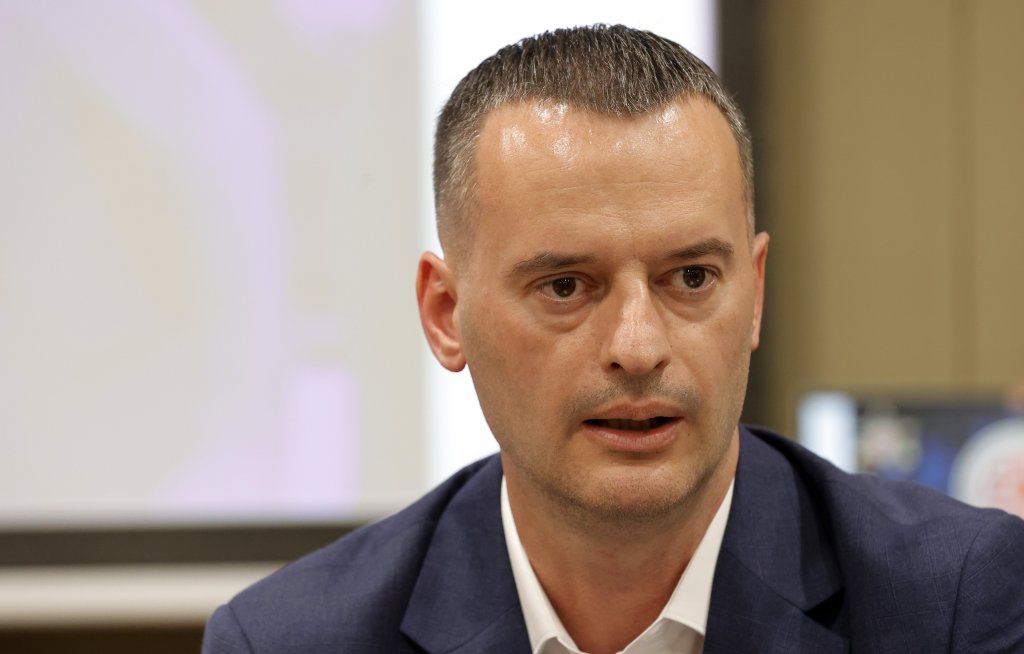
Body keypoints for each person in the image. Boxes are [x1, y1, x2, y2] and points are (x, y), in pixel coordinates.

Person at [202, 25, 1024, 654]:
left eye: (691, 277)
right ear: (446, 315)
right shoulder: (290, 640)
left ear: (755, 293)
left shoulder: (956, 603)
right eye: (566, 286)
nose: (638, 347)